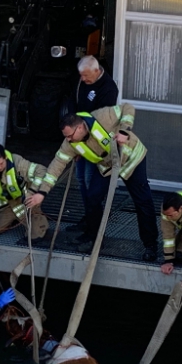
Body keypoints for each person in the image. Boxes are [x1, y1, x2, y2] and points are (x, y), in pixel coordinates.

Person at [26, 105, 159, 262]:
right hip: (107, 166)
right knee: (93, 198)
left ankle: (151, 245)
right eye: (66, 137)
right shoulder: (69, 143)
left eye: (70, 136)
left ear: (81, 127)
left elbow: (127, 108)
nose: (68, 140)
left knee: (142, 201)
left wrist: (124, 131)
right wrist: (42, 192)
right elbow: (56, 166)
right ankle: (94, 238)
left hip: (132, 160)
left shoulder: (103, 117)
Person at [71, 56, 119, 237]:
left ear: (97, 71)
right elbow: (73, 105)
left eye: (85, 76)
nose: (83, 80)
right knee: (81, 180)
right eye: (81, 76)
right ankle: (87, 217)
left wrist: (83, 142)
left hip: (95, 144)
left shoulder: (108, 88)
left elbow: (101, 122)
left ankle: (94, 224)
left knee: (91, 183)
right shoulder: (82, 82)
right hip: (80, 139)